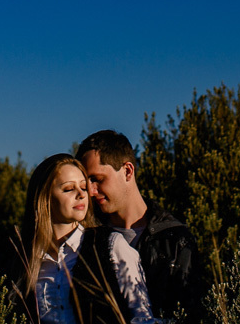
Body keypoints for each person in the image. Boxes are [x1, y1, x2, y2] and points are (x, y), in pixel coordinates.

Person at [13, 153, 162, 324]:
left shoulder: (110, 244)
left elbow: (143, 317)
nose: (81, 194)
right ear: (45, 197)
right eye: (69, 189)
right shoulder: (24, 258)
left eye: (83, 187)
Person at [76, 131, 202, 323]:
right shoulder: (86, 239)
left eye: (98, 179)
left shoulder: (175, 239)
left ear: (127, 171)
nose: (91, 191)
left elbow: (190, 315)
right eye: (87, 183)